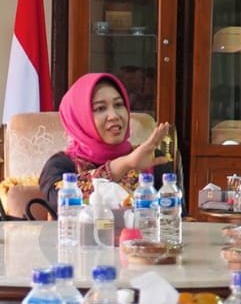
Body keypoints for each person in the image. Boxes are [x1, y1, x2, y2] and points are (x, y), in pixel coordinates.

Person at [37, 72, 173, 215]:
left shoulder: (151, 158)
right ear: (80, 118)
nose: (114, 115)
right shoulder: (60, 164)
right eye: (100, 108)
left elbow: (177, 219)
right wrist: (126, 163)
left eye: (119, 105)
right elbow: (61, 201)